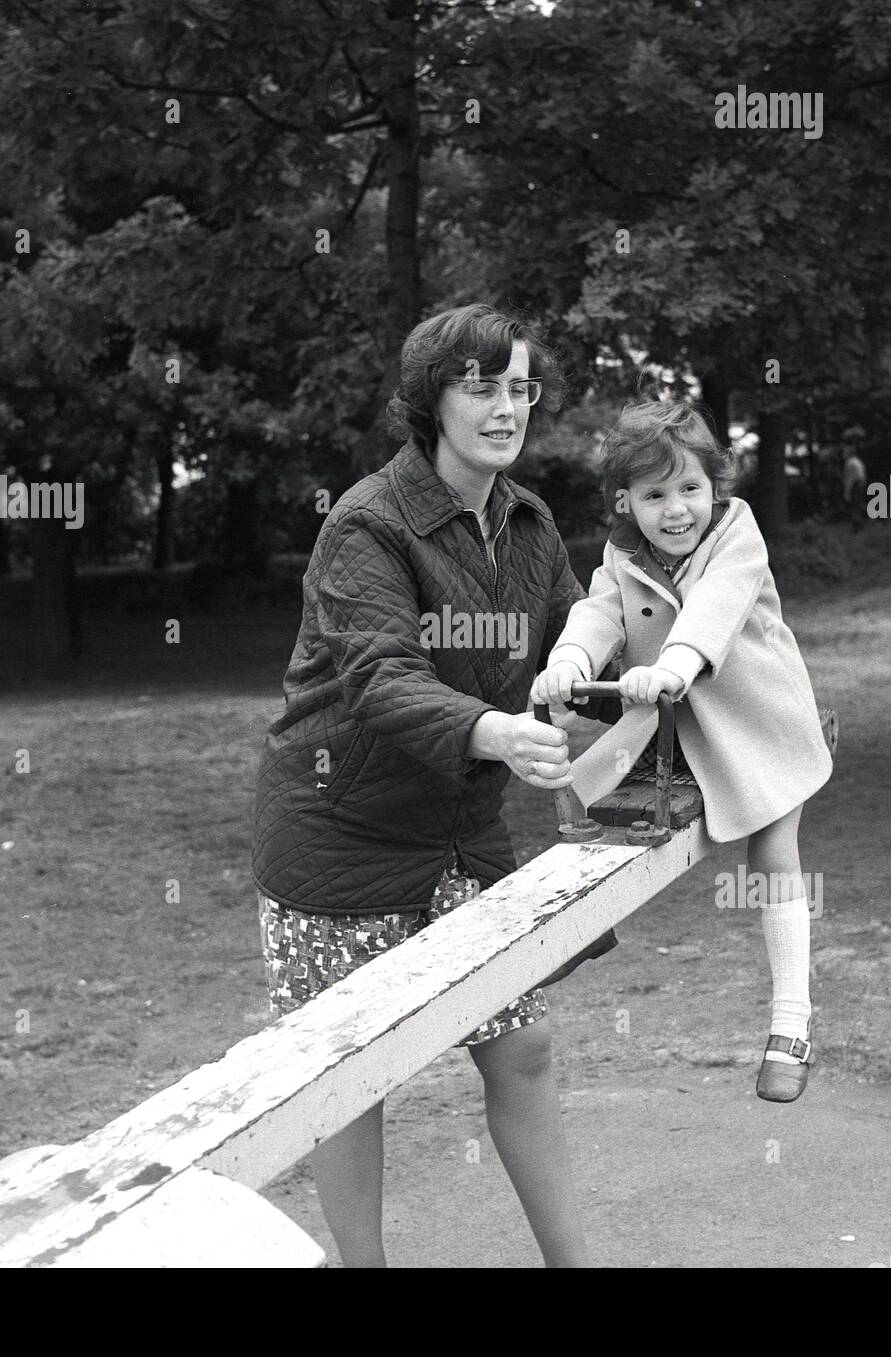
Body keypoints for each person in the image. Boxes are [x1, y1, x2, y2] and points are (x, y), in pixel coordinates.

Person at [251, 303, 593, 1267]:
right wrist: (498, 732)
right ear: (429, 400)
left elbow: (580, 635)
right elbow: (381, 677)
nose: (504, 407)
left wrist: (654, 665)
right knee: (346, 1078)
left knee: (520, 1047)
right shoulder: (367, 522)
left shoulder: (528, 522)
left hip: (461, 837)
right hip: (336, 834)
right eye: (479, 386)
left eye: (518, 387)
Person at [532, 401, 833, 1103]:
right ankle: (585, 925)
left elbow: (716, 608)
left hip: (759, 721)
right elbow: (597, 612)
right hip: (674, 728)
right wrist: (571, 659)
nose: (676, 510)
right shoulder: (621, 557)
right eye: (655, 494)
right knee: (603, 812)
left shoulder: (738, 535)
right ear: (625, 502)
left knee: (772, 847)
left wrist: (672, 664)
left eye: (690, 489)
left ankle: (791, 1020)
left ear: (715, 489)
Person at [842, 448, 868, 534]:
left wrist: (847, 492)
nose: (843, 455)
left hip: (854, 485)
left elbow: (850, 479)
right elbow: (863, 476)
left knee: (854, 507)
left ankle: (856, 527)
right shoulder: (858, 461)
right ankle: (860, 524)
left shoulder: (849, 463)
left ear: (848, 454)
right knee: (859, 505)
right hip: (861, 484)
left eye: (844, 453)